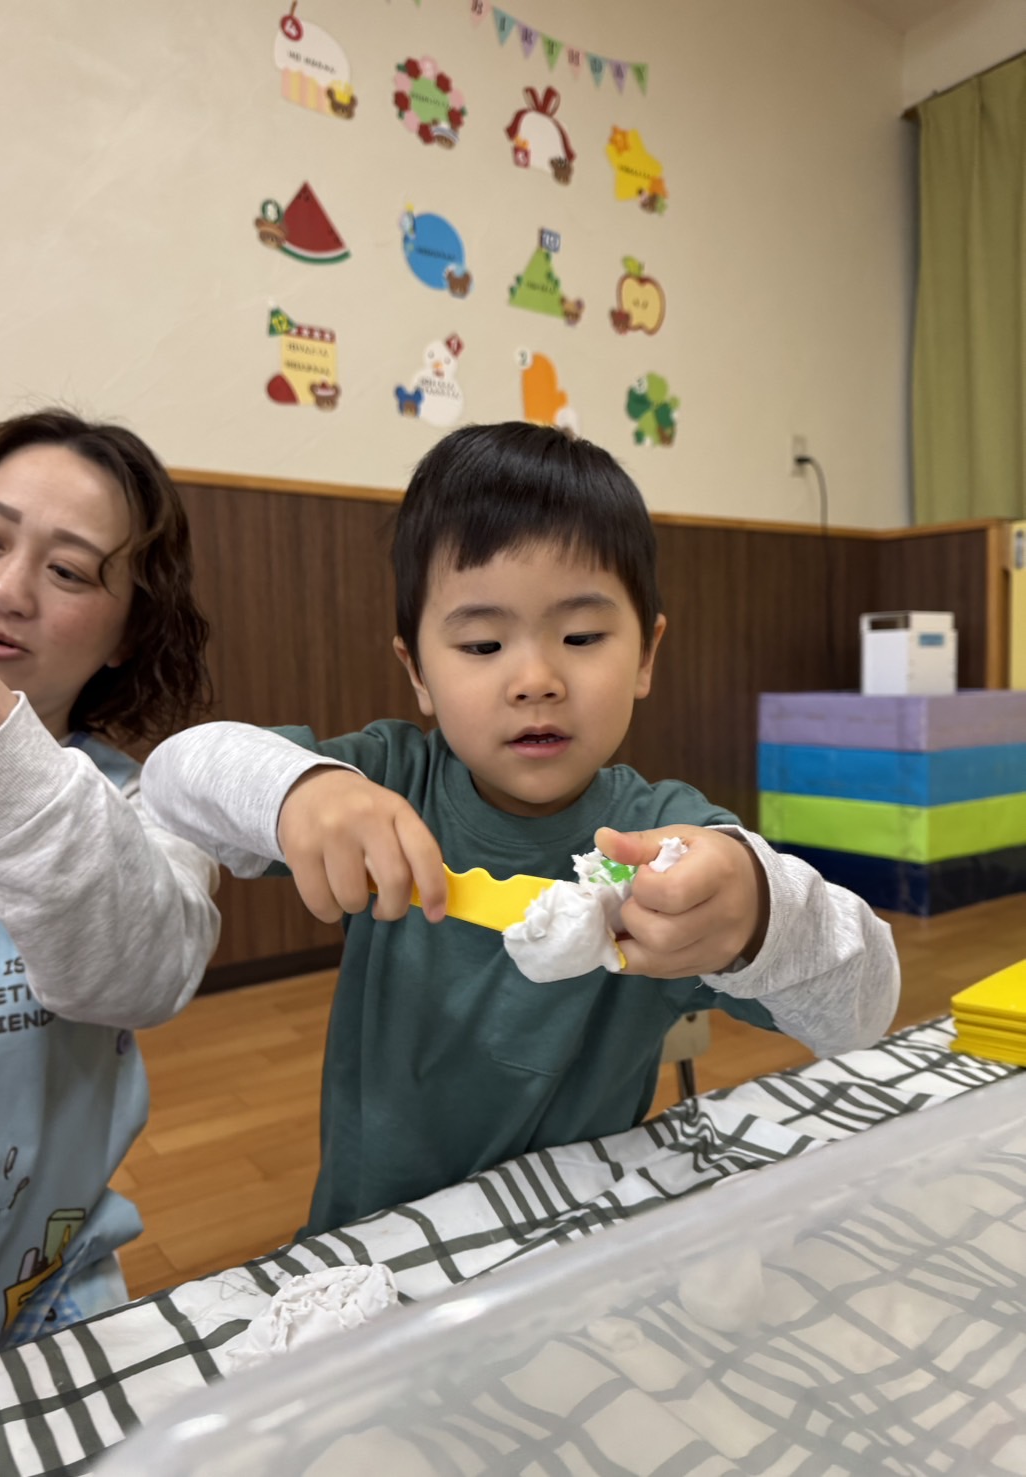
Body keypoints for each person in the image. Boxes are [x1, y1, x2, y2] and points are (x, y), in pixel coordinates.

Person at [141, 422, 899, 1239]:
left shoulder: (668, 845)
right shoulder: (386, 782)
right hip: (380, 1240)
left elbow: (864, 1013)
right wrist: (298, 790)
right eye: (482, 643)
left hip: (581, 1245)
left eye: (581, 637)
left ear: (647, 654)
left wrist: (759, 914)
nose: (535, 679)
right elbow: (175, 775)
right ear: (417, 670)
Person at [0, 409, 220, 1365]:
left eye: (69, 571)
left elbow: (139, 975)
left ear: (130, 630)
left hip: (33, 1304)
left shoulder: (149, 809)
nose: (6, 591)